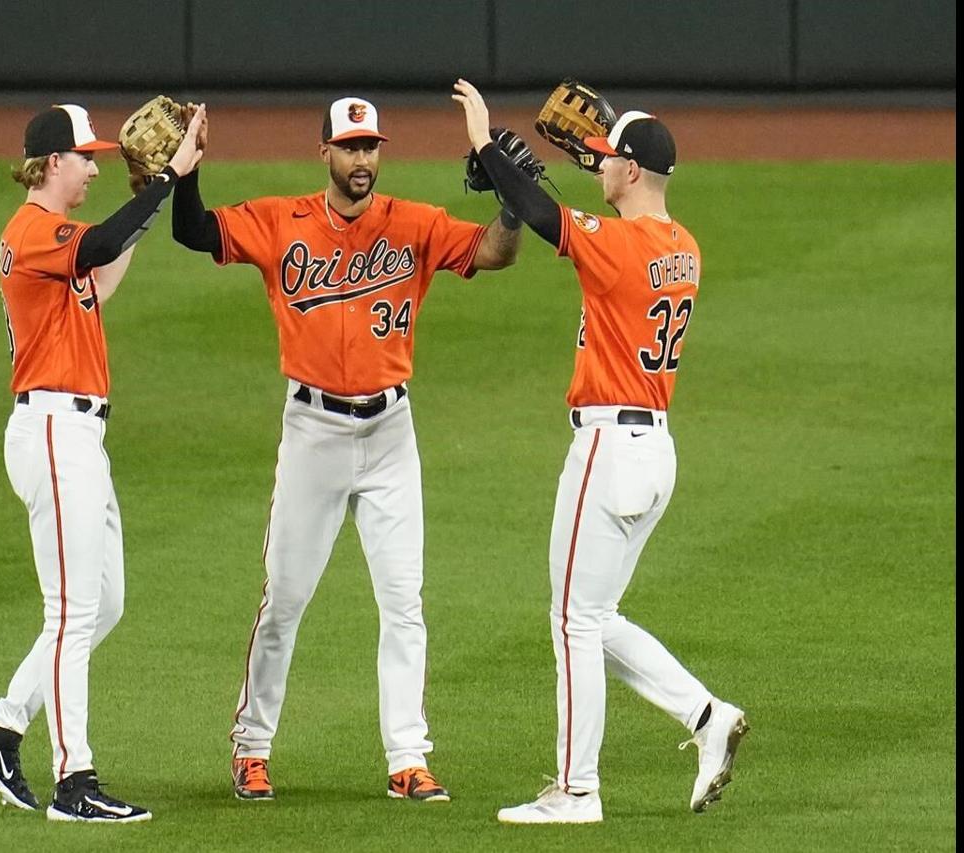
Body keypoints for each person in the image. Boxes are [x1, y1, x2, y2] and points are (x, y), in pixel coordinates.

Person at [172, 96, 521, 802]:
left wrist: (512, 204)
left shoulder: (414, 223)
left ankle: (407, 757)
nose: (362, 160)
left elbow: (492, 251)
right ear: (323, 151)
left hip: (392, 433)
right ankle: (251, 749)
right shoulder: (279, 220)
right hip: (313, 434)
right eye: (349, 147)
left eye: (371, 147)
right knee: (285, 600)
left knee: (403, 602)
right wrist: (187, 172)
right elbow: (193, 233)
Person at [452, 79, 749, 824]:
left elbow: (545, 216)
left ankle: (575, 790)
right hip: (654, 453)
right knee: (593, 613)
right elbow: (581, 198)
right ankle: (705, 713)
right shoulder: (682, 246)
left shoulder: (618, 244)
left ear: (630, 171)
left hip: (608, 451)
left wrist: (486, 141)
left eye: (608, 160)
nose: (599, 166)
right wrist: (587, 157)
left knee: (571, 621)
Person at [0, 102, 206, 823]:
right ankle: (74, 782)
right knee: (71, 611)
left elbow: (96, 278)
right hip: (53, 431)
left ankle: (1, 727)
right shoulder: (32, 230)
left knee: (105, 603)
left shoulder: (52, 240)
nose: (95, 166)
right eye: (85, 157)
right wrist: (165, 181)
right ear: (50, 163)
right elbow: (95, 248)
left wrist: (144, 199)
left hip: (75, 434)